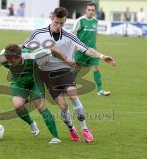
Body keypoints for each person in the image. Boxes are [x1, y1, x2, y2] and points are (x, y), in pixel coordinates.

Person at [23, 7, 115, 143]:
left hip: (65, 70)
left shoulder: (69, 35)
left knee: (74, 96)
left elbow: (87, 49)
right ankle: (71, 128)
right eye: (57, 23)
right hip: (48, 74)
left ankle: (85, 129)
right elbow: (25, 46)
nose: (59, 26)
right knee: (63, 106)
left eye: (62, 23)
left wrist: (102, 56)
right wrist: (10, 51)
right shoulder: (39, 33)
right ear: (52, 19)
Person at [0, 44, 74, 144]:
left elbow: (49, 51)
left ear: (20, 57)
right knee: (17, 105)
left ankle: (55, 137)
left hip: (35, 82)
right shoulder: (3, 59)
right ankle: (31, 123)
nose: (11, 63)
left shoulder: (33, 57)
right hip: (18, 83)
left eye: (13, 61)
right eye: (9, 61)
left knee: (40, 107)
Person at [72, 2, 111, 96]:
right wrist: (73, 51)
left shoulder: (95, 21)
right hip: (81, 51)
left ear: (94, 11)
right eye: (89, 10)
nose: (90, 12)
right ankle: (67, 87)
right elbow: (73, 35)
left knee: (96, 68)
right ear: (86, 10)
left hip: (93, 51)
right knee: (75, 70)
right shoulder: (80, 20)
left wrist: (95, 47)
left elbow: (94, 35)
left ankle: (100, 90)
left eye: (92, 10)